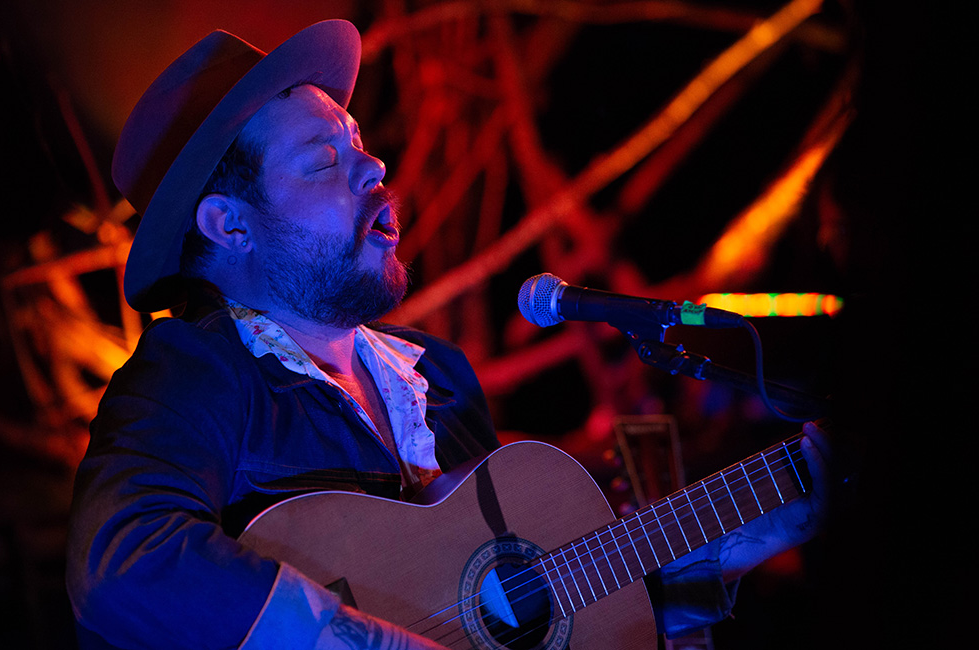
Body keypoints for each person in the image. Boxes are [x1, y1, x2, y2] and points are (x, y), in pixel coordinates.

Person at [65, 19, 830, 650]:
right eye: (323, 159)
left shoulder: (437, 380)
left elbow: (519, 619)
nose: (374, 167)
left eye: (361, 143)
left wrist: (731, 548)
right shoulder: (196, 371)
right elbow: (123, 562)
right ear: (230, 225)